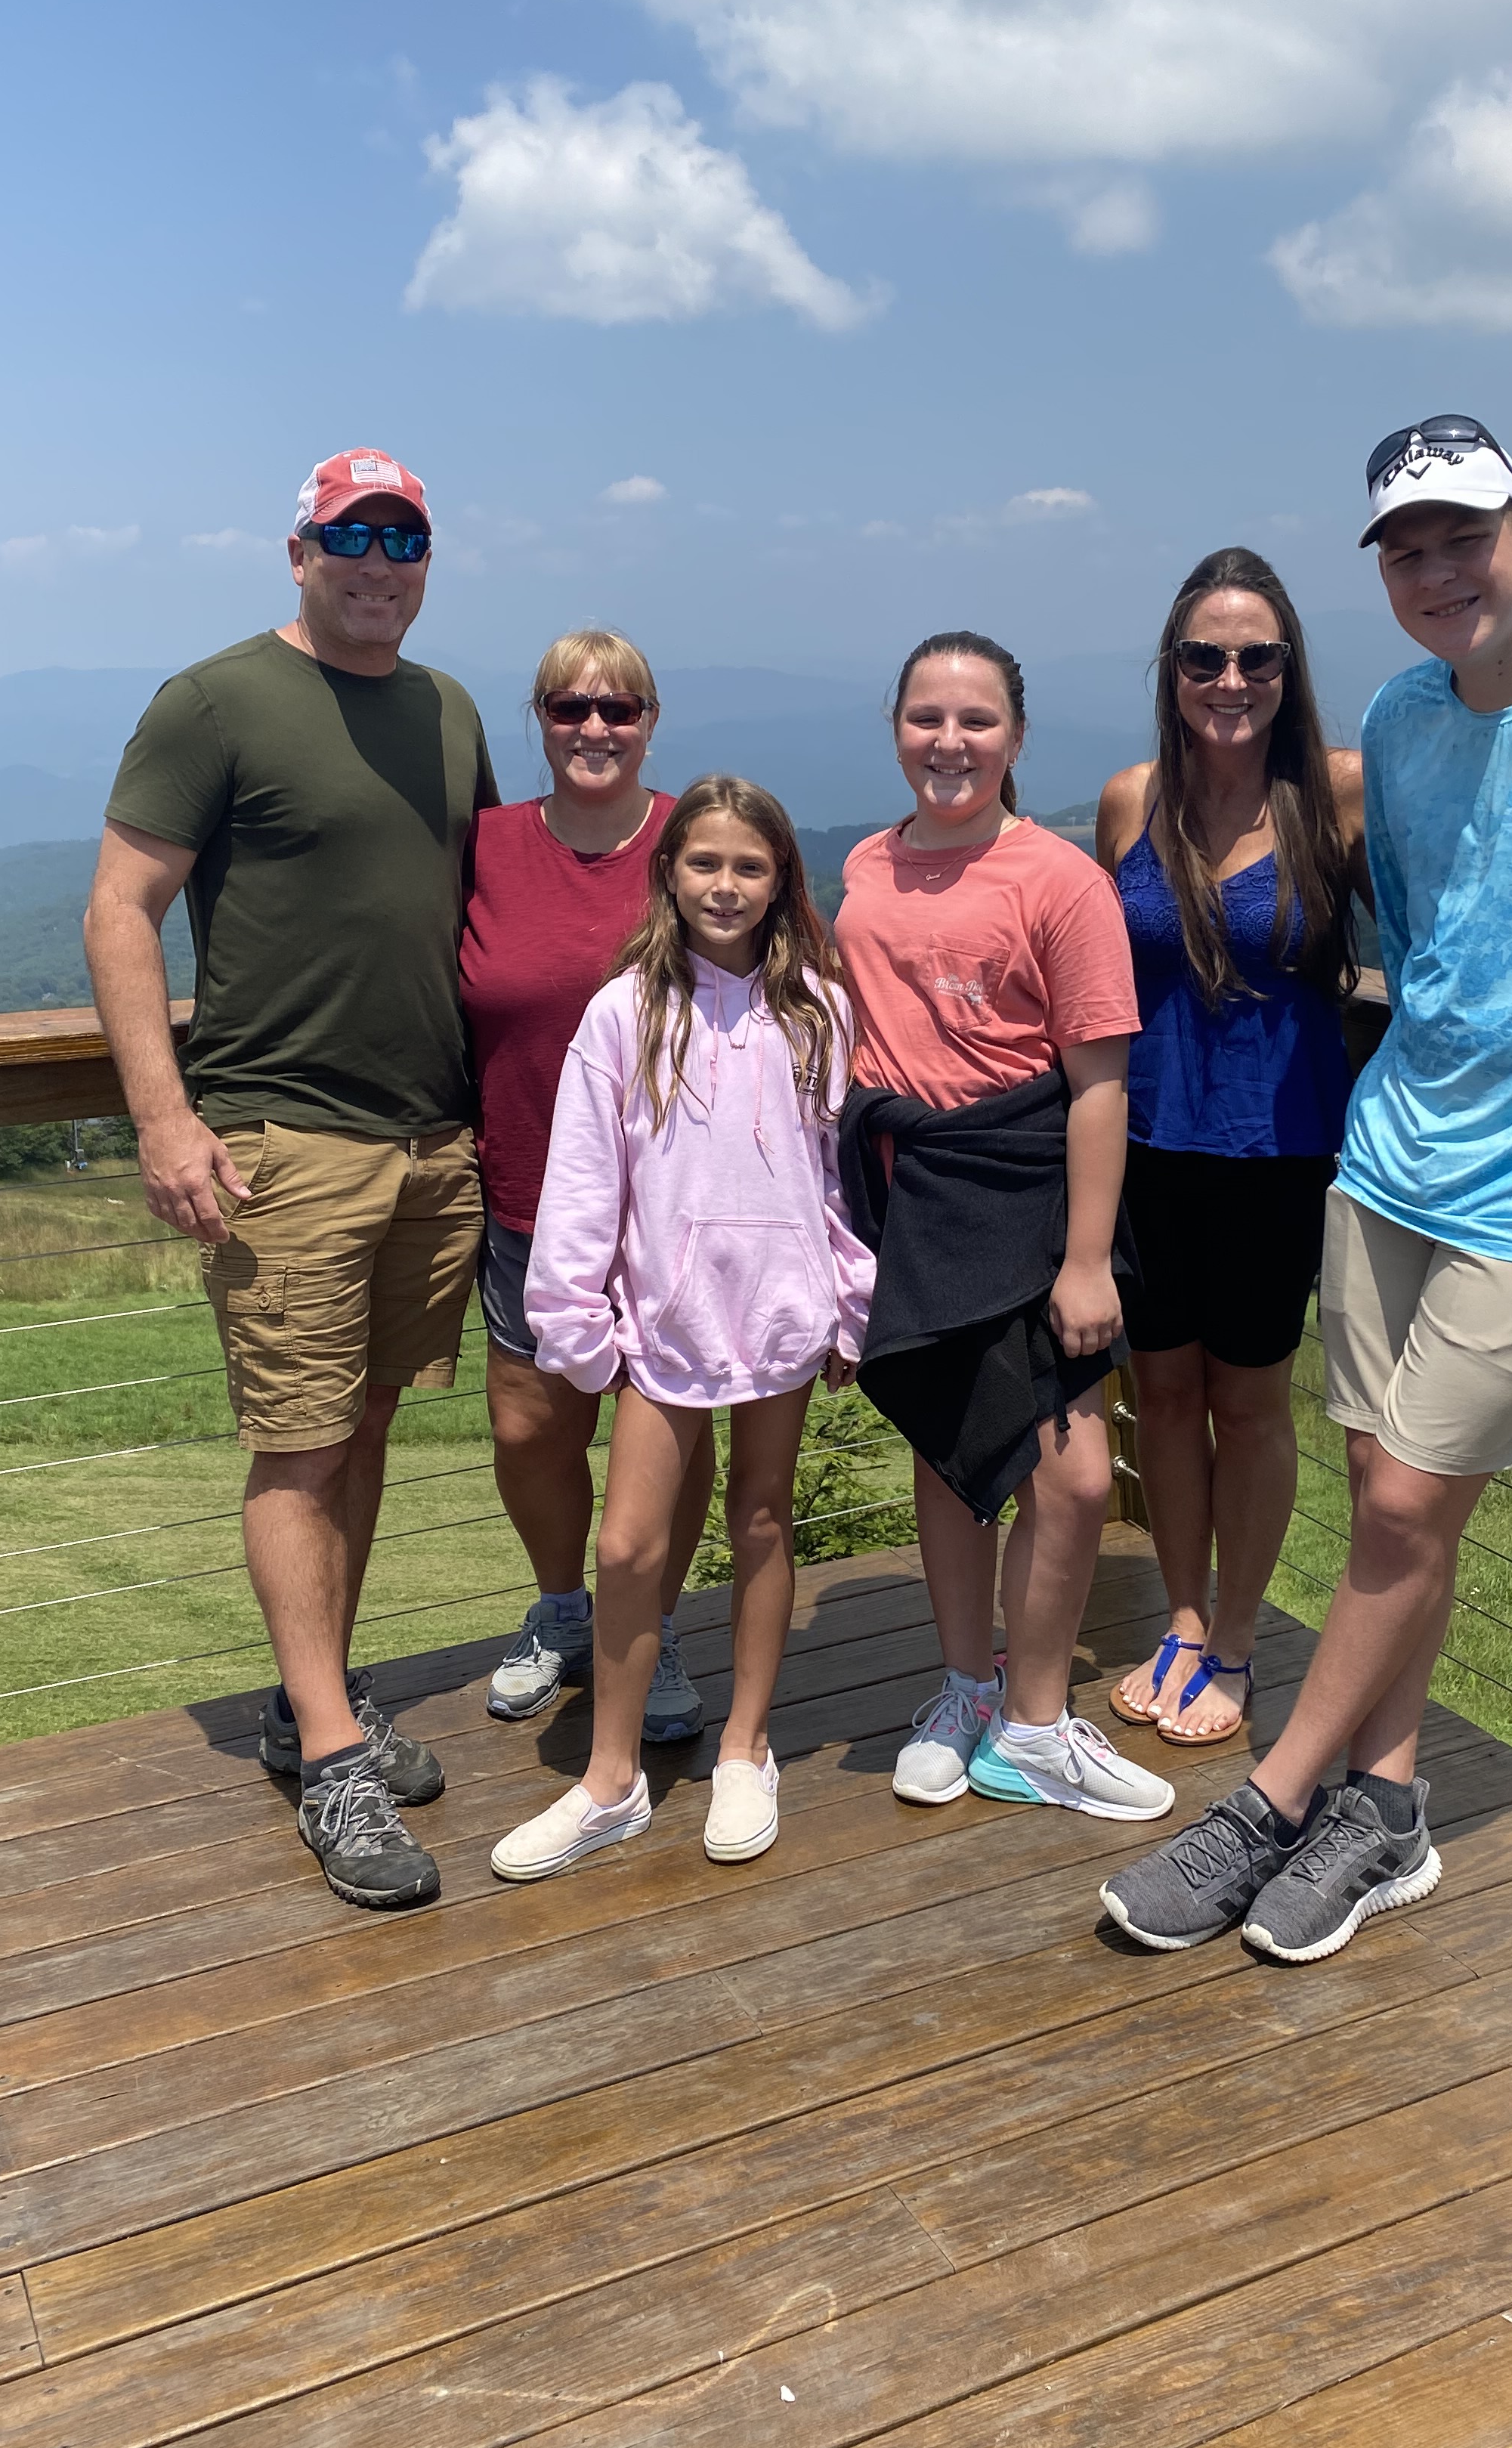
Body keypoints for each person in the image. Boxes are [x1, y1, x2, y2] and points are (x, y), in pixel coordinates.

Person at [1103, 416, 1512, 1961]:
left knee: (1408, 1502)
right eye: (1406, 550)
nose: (1437, 571)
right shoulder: (1403, 719)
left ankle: (1271, 1801)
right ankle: (1388, 1807)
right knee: (1391, 1503)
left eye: (1463, 537)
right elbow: (1408, 924)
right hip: (1395, 1153)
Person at [85, 448, 494, 1914]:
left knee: (366, 1421)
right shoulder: (215, 702)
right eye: (352, 538)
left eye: (404, 540)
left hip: (430, 1138)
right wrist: (164, 1117)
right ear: (300, 550)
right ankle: (332, 1757)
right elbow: (121, 908)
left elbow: (480, 909)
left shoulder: (448, 710)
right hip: (284, 1138)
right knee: (300, 1444)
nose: (379, 565)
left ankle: (312, 1698)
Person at [491, 778, 873, 1880]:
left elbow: (834, 1175)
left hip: (783, 1307)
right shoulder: (624, 1012)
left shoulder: (818, 1009)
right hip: (664, 1315)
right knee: (627, 1544)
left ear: (782, 881)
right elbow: (582, 1180)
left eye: (750, 866)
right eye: (704, 862)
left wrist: (850, 1300)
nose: (726, 886)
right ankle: (610, 1779)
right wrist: (573, 1314)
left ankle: (747, 1749)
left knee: (762, 1518)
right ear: (669, 874)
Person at [835, 631, 1173, 1823]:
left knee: (1071, 1478)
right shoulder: (866, 867)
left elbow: (1100, 1083)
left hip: (1034, 1192)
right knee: (950, 1449)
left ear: (1016, 738)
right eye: (926, 717)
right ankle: (965, 1691)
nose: (950, 741)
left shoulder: (1060, 881)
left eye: (977, 720)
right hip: (920, 1198)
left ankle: (1032, 1723)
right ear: (896, 727)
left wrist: (1086, 1261)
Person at [1097, 552, 1365, 1748]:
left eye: (1258, 657)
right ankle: (1184, 1619)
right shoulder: (1133, 801)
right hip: (1145, 1141)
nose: (1231, 679)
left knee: (1250, 1401)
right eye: (1205, 656)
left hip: (1278, 1147)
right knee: (1161, 1392)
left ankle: (1242, 1639)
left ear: (1289, 669)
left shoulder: (1336, 796)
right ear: (1172, 669)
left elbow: (1443, 927)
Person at [459, 632, 716, 1741]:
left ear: (651, 722)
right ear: (541, 719)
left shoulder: (692, 841)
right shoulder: (485, 847)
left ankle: (649, 1627)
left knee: (671, 1436)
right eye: (570, 708)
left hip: (675, 1205)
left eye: (619, 709)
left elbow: (789, 982)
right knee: (530, 1428)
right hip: (527, 1187)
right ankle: (565, 1609)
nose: (595, 729)